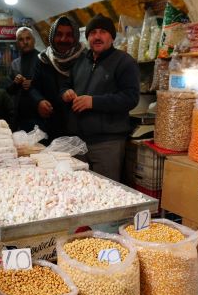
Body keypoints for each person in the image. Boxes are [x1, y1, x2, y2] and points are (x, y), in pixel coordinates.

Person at [60, 14, 140, 182]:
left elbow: (130, 98)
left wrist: (93, 102)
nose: (97, 36)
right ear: (87, 37)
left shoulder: (124, 62)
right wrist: (66, 92)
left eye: (103, 32)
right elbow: (66, 84)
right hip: (78, 142)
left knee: (106, 190)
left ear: (111, 37)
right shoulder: (81, 62)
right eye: (93, 32)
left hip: (107, 143)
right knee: (79, 190)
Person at [30, 15, 85, 140]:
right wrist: (39, 101)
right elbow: (33, 87)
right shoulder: (44, 59)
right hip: (50, 125)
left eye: (69, 35)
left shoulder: (84, 58)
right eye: (59, 34)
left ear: (76, 36)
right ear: (52, 36)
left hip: (79, 128)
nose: (63, 39)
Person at [7, 26, 39, 131]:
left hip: (39, 116)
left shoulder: (43, 60)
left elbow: (52, 86)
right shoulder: (15, 64)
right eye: (21, 39)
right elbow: (9, 91)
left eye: (28, 38)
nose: (25, 42)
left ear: (33, 40)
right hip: (19, 116)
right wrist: (15, 83)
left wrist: (34, 83)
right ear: (17, 43)